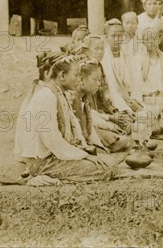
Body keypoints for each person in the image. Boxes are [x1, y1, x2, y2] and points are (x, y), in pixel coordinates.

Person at [14, 54, 116, 183]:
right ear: (62, 76)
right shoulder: (45, 97)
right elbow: (52, 141)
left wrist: (84, 153)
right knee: (105, 171)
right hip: (42, 162)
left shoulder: (60, 95)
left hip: (55, 155)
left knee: (107, 163)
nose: (80, 79)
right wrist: (84, 156)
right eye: (76, 75)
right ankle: (42, 178)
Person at [73, 59, 131, 152]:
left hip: (89, 134)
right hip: (76, 143)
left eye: (99, 80)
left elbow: (90, 117)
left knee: (124, 139)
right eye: (95, 79)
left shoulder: (84, 97)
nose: (99, 84)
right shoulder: (72, 99)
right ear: (81, 80)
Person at [102, 19, 143, 112]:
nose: (117, 39)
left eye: (120, 36)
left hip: (131, 100)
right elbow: (109, 89)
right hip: (113, 102)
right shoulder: (102, 59)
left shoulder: (130, 57)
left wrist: (135, 100)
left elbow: (137, 82)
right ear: (106, 37)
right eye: (113, 36)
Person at [139, 27, 163, 96]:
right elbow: (139, 80)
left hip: (162, 92)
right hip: (146, 94)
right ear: (143, 42)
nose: (151, 42)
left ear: (159, 41)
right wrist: (148, 93)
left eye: (154, 39)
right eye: (147, 40)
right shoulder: (139, 59)